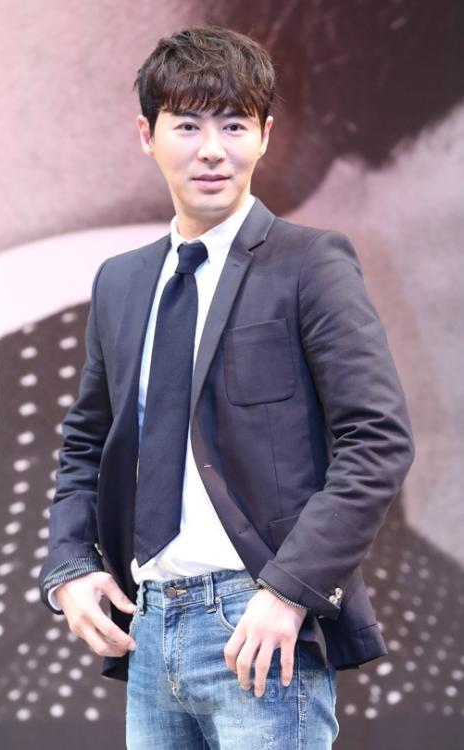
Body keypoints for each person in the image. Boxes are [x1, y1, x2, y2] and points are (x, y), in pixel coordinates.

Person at [38, 25, 414, 749]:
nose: (212, 149)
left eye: (234, 125)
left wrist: (289, 592)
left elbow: (379, 441)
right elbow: (87, 441)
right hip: (150, 627)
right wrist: (69, 564)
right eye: (187, 125)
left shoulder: (310, 264)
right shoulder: (120, 282)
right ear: (146, 136)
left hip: (260, 625)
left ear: (265, 136)